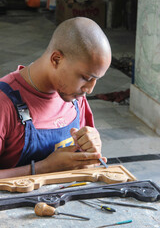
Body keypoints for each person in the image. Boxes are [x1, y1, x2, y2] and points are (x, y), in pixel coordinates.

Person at [0, 17, 111, 178]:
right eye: (86, 78)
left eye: (96, 79)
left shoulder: (74, 97)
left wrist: (91, 150)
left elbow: (86, 162)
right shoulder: (4, 103)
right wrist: (42, 168)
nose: (90, 89)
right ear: (56, 59)